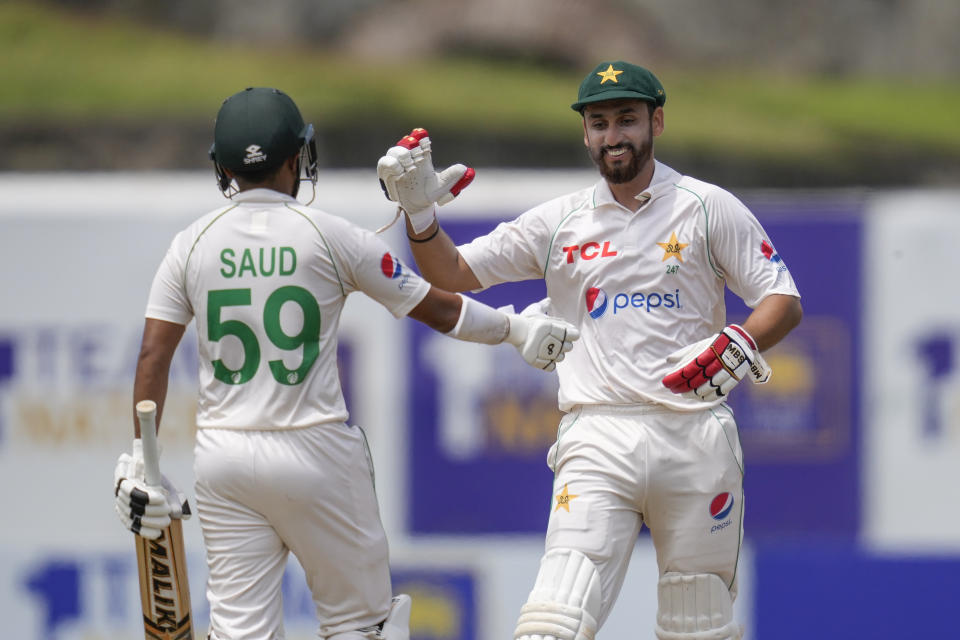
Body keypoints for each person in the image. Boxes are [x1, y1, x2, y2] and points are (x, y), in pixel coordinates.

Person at [112, 87, 578, 640]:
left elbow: (153, 355)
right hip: (317, 453)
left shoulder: (190, 244)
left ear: (225, 167)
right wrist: (517, 329)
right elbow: (437, 308)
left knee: (241, 633)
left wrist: (141, 460)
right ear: (296, 159)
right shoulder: (330, 235)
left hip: (225, 458)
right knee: (361, 626)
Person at [376, 62, 803, 640]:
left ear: (656, 121)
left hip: (696, 434)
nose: (613, 136)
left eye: (626, 120)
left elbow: (782, 296)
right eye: (599, 123)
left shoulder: (706, 206)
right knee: (554, 621)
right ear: (585, 133)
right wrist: (420, 217)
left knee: (699, 622)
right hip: (598, 436)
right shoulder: (561, 221)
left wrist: (744, 339)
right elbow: (454, 273)